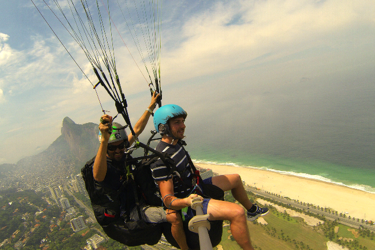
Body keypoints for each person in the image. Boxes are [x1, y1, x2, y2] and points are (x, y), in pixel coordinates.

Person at [150, 104, 269, 250]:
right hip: (190, 201)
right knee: (237, 212)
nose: (183, 126)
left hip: (197, 187)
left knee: (236, 179)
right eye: (177, 123)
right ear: (163, 128)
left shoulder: (175, 144)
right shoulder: (161, 159)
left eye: (182, 121)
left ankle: (252, 210)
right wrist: (187, 201)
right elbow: (167, 200)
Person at [91, 92, 167, 245]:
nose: (119, 150)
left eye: (121, 146)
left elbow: (137, 129)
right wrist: (104, 141)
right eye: (112, 148)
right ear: (106, 149)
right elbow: (98, 176)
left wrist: (151, 105)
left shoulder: (122, 150)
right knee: (173, 215)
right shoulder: (104, 165)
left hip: (140, 202)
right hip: (129, 213)